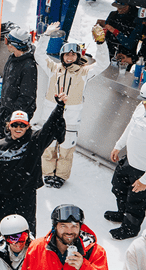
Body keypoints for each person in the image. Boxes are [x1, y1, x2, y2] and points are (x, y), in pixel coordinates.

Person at [35, 22, 110, 188]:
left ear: (78, 56)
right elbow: (39, 55)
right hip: (50, 115)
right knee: (48, 146)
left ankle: (61, 175)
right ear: (62, 56)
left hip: (71, 119)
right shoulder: (54, 69)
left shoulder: (84, 73)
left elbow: (103, 63)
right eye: (66, 54)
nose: (69, 57)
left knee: (66, 149)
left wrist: (100, 43)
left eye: (73, 54)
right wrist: (46, 35)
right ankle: (47, 173)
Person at [0, 97, 67, 240]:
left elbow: (49, 126)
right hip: (4, 198)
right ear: (8, 125)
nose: (18, 128)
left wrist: (59, 107)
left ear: (28, 126)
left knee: (26, 235)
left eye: (22, 125)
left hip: (26, 198)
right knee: (1, 234)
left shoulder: (35, 142)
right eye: (15, 124)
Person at [106, 79, 146, 240]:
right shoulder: (142, 107)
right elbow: (131, 126)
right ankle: (122, 214)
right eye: (144, 100)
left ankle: (130, 228)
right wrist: (118, 145)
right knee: (118, 187)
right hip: (130, 160)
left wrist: (145, 180)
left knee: (136, 201)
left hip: (144, 169)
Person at [0, 25, 38, 142]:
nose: (6, 44)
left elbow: (27, 97)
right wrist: (3, 102)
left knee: (9, 142)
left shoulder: (28, 66)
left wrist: (13, 116)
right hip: (6, 107)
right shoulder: (12, 58)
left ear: (15, 45)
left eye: (7, 41)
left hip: (16, 114)